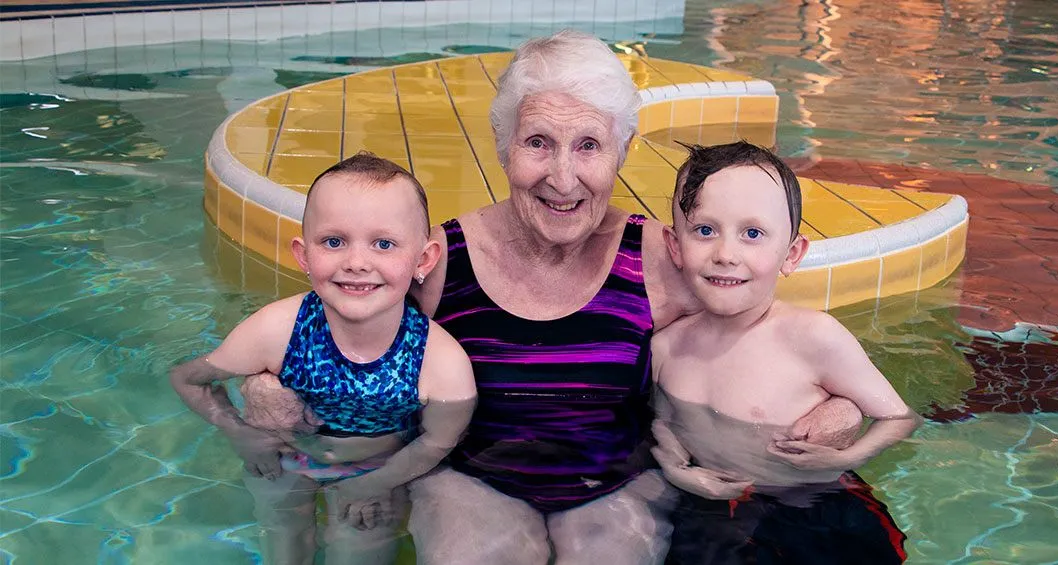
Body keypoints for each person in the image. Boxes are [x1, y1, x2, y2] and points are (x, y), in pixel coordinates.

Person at [239, 30, 865, 565]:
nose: (562, 178)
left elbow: (773, 349)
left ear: (621, 151)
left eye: (589, 145)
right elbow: (323, 338)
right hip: (471, 477)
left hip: (619, 483)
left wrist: (835, 415)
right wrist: (266, 389)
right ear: (502, 146)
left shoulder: (664, 260)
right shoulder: (435, 260)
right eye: (538, 142)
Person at [170, 152, 477, 565]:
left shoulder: (438, 360)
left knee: (358, 551)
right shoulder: (276, 329)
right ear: (303, 254)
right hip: (284, 457)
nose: (356, 263)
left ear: (423, 260)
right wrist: (241, 433)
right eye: (333, 242)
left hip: (378, 467)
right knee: (283, 540)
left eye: (383, 244)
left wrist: (378, 483)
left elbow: (438, 441)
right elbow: (188, 379)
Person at [651, 142, 921, 564]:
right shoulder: (665, 348)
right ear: (674, 245)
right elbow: (663, 420)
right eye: (704, 230)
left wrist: (847, 456)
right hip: (714, 504)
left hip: (813, 500)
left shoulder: (812, 336)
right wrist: (676, 469)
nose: (725, 254)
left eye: (752, 234)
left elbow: (899, 417)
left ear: (791, 254)